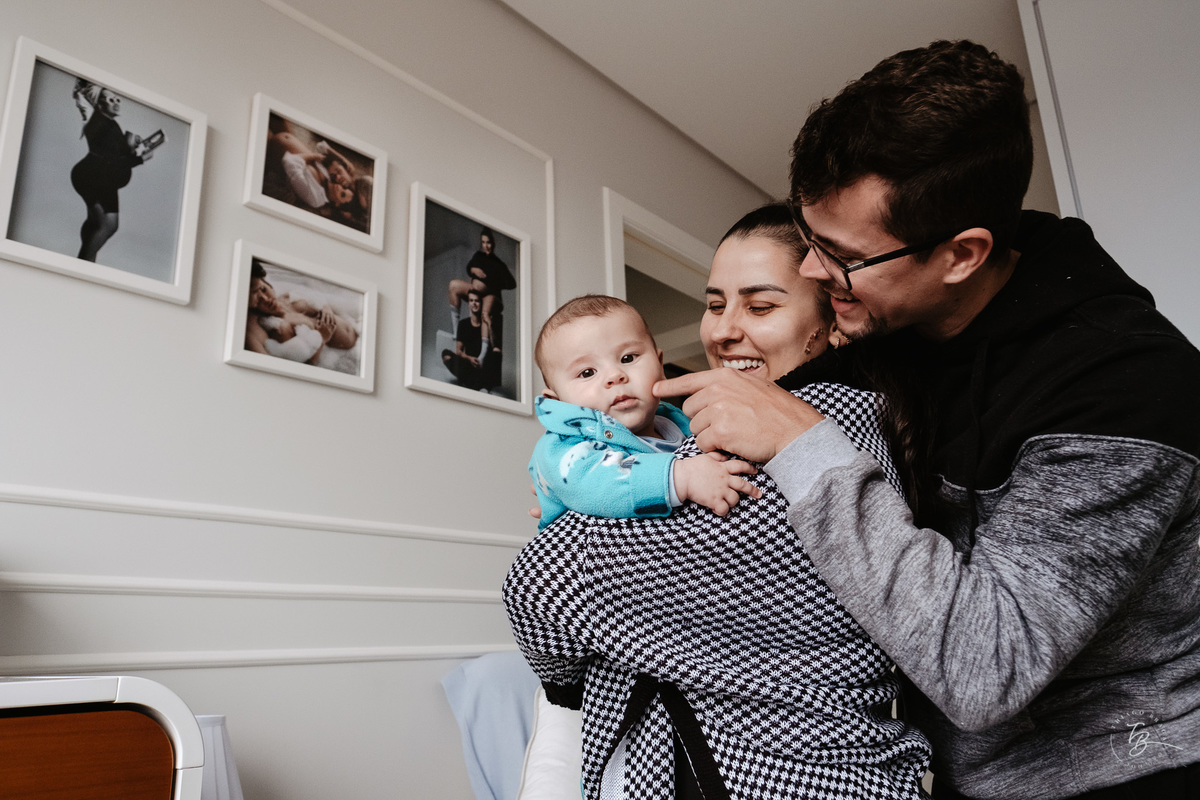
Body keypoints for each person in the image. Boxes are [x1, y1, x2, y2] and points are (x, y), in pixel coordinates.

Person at [657, 41, 1200, 800]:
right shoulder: (887, 331)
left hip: (1113, 768)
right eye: (809, 241)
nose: (812, 272)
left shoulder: (1127, 386)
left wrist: (800, 443)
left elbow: (988, 667)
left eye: (839, 255)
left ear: (960, 255)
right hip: (926, 764)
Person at [505, 205, 932, 800]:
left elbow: (538, 580)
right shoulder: (703, 424)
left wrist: (574, 526)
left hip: (788, 769)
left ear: (831, 322)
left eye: (760, 306)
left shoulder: (829, 419)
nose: (723, 331)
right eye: (713, 304)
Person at [529, 294, 761, 530]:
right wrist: (683, 477)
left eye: (628, 358)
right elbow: (594, 485)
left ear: (659, 364)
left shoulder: (680, 422)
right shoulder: (562, 447)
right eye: (587, 372)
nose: (615, 376)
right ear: (557, 400)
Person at [70, 80, 155, 262]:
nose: (116, 103)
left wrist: (131, 140)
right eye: (111, 100)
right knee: (108, 225)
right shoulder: (100, 123)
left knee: (96, 223)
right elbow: (113, 160)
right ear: (100, 104)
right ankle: (83, 262)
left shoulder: (107, 122)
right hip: (92, 177)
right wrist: (140, 159)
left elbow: (114, 149)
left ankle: (86, 260)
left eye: (118, 100)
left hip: (104, 179)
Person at [263, 120, 370, 231]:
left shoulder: (316, 197)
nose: (340, 186)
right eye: (345, 187)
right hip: (287, 136)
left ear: (337, 205)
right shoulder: (329, 181)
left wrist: (312, 156)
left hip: (272, 147)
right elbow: (321, 147)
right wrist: (343, 160)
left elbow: (289, 161)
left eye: (342, 194)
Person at [244, 261, 358, 365]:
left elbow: (316, 296)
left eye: (263, 289)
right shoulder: (275, 326)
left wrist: (326, 307)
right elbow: (305, 367)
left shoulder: (286, 297)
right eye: (258, 299)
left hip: (356, 329)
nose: (265, 298)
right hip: (347, 356)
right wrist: (322, 339)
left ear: (267, 284)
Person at [447, 228, 515, 365]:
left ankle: (482, 356)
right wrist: (473, 270)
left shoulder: (499, 264)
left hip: (490, 295)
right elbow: (469, 267)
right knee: (453, 286)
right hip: (475, 292)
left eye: (488, 243)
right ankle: (456, 334)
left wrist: (491, 281)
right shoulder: (478, 255)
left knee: (485, 313)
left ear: (493, 243)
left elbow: (511, 283)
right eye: (483, 242)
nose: (486, 246)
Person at [442, 288, 500, 390]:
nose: (474, 304)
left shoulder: (486, 324)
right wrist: (469, 358)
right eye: (471, 301)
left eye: (477, 301)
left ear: (481, 303)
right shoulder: (463, 324)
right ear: (468, 303)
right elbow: (459, 351)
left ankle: (478, 384)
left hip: (484, 365)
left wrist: (489, 324)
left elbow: (495, 345)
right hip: (469, 363)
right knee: (446, 354)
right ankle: (473, 382)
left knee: (496, 353)